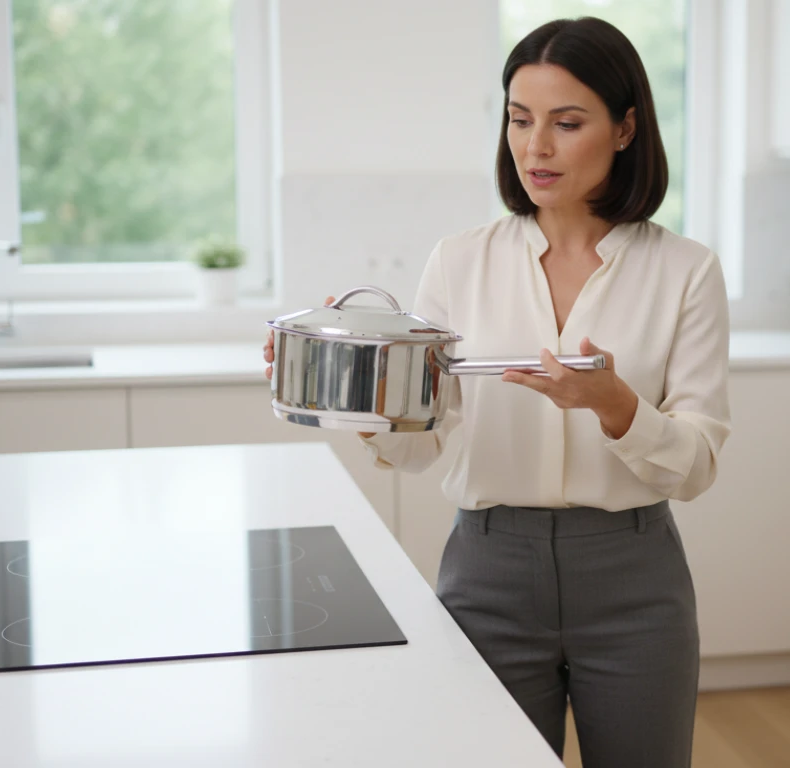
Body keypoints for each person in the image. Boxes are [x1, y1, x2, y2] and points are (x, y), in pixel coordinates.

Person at [264, 17, 730, 768]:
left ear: (625, 128)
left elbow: (697, 465)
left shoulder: (686, 271)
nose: (535, 147)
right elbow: (420, 446)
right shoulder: (460, 261)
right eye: (519, 119)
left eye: (566, 123)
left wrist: (614, 405)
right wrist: (358, 392)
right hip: (488, 575)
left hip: (635, 582)